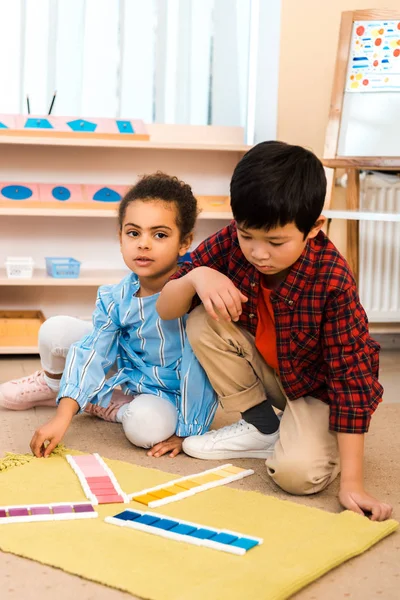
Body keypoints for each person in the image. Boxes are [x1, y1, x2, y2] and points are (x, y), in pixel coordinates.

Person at [156, 141, 393, 521]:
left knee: (298, 476)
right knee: (202, 318)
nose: (258, 253)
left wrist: (353, 482)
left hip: (316, 391)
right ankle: (265, 427)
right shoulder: (233, 239)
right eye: (248, 236)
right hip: (274, 372)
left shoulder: (332, 279)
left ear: (315, 228)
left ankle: (297, 436)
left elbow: (351, 379)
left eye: (276, 242)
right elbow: (167, 309)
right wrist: (197, 276)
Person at [0, 173, 217, 459]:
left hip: (167, 394)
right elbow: (94, 349)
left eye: (160, 234)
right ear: (120, 237)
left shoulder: (193, 296)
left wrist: (188, 430)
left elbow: (199, 371)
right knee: (54, 330)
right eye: (133, 233)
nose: (144, 244)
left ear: (184, 242)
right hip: (126, 372)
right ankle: (57, 386)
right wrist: (62, 418)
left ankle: (100, 402)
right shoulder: (116, 295)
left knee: (145, 429)